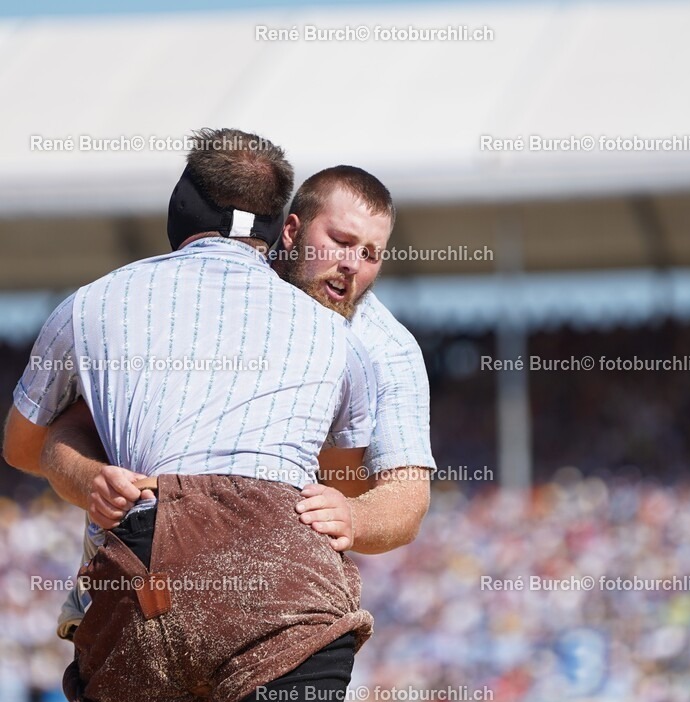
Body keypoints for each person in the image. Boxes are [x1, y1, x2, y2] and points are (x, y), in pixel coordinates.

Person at [3, 127, 379, 702]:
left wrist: (87, 464)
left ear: (182, 205)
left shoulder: (90, 304)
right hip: (281, 563)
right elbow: (342, 482)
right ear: (280, 225)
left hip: (147, 552)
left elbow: (20, 445)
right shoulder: (337, 334)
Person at [46, 164, 436, 640]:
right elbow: (73, 426)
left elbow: (408, 497)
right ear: (291, 230)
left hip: (275, 575)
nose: (353, 263)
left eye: (371, 253)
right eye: (340, 240)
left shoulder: (387, 350)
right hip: (142, 561)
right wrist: (89, 476)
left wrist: (355, 516)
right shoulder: (200, 289)